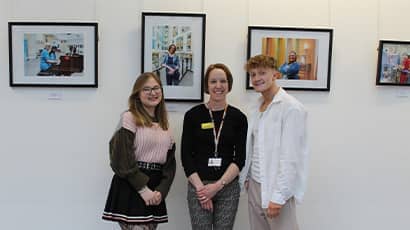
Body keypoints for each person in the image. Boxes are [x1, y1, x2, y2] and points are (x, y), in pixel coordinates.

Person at [240, 55, 308, 230]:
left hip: (276, 187)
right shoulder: (256, 106)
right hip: (255, 184)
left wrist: (279, 196)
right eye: (253, 74)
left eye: (262, 73)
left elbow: (291, 157)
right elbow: (254, 146)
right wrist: (247, 177)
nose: (256, 78)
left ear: (275, 75)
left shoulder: (291, 108)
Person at [102, 72, 176, 230]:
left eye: (156, 88)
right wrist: (143, 189)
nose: (153, 93)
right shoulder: (129, 118)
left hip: (155, 189)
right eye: (146, 89)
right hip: (132, 186)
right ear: (137, 94)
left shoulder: (166, 125)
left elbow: (170, 166)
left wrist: (161, 191)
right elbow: (120, 158)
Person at [181, 63, 248, 230]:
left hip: (227, 187)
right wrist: (202, 190)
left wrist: (218, 186)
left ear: (229, 84)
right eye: (213, 81)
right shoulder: (192, 115)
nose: (218, 86)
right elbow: (186, 156)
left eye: (223, 81)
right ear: (206, 85)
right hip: (199, 186)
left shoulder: (239, 118)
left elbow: (239, 158)